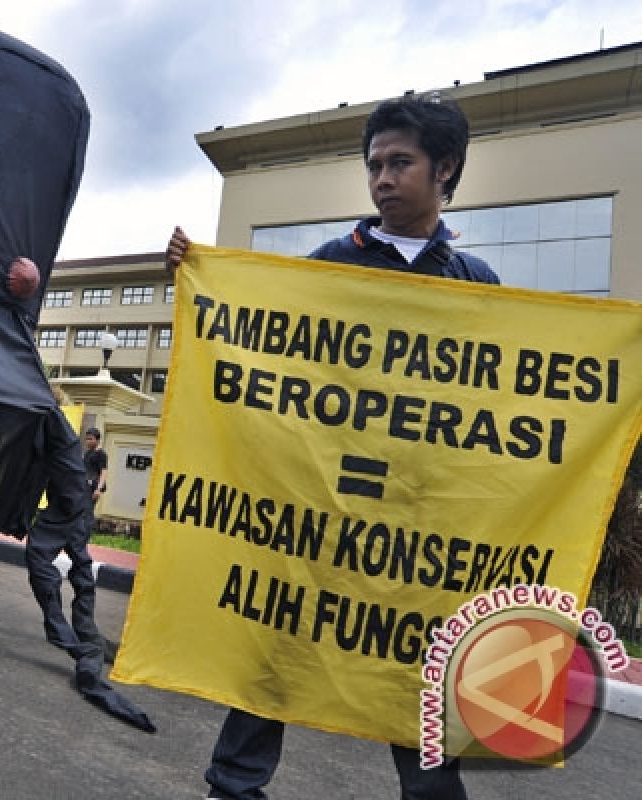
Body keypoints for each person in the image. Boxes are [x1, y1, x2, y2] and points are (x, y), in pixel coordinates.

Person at [168, 94, 496, 800]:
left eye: (399, 162)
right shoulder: (328, 264)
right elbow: (262, 347)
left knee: (412, 668)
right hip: (318, 508)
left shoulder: (478, 286)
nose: (382, 178)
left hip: (415, 524)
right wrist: (201, 278)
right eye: (374, 164)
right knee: (279, 649)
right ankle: (232, 787)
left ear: (446, 168)